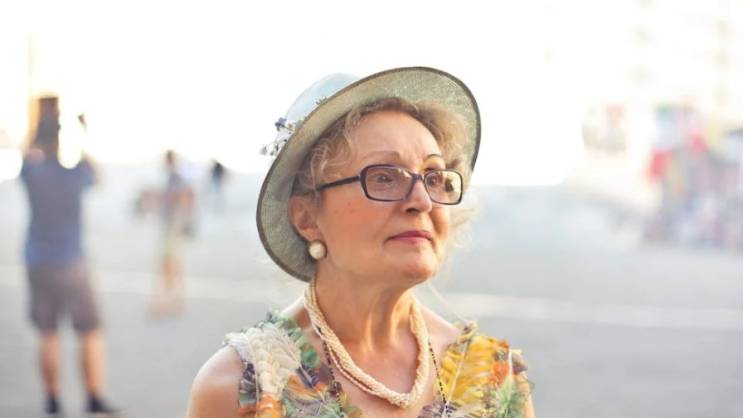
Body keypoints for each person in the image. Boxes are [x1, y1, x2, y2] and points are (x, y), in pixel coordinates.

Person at [186, 67, 535, 418]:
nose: (422, 201)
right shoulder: (241, 389)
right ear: (307, 217)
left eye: (433, 177)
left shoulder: (496, 381)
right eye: (384, 177)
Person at [19, 96, 118, 417]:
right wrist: (83, 133)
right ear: (60, 140)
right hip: (73, 262)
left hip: (38, 261)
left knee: (47, 333)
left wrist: (38, 123)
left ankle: (52, 400)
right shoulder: (73, 175)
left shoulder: (33, 173)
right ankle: (93, 397)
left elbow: (26, 152)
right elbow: (96, 175)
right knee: (89, 331)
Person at [150, 149, 195, 316]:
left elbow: (185, 198)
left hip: (172, 228)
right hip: (172, 227)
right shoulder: (174, 178)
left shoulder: (175, 178)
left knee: (169, 264)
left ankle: (168, 300)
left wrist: (178, 223)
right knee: (173, 264)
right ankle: (175, 299)